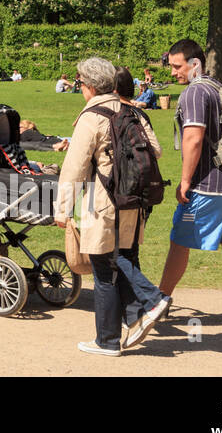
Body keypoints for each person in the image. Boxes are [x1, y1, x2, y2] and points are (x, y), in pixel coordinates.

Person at [55, 57, 169, 356]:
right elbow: (155, 150)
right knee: (125, 257)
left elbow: (74, 168)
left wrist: (62, 209)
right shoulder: (133, 111)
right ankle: (134, 319)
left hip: (103, 201)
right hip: (134, 199)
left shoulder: (92, 116)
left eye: (80, 84)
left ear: (90, 86)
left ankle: (120, 328)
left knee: (105, 267)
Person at [159, 39, 222, 330]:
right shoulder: (219, 87)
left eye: (178, 66)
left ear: (195, 64)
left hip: (206, 185)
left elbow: (193, 138)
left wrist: (184, 181)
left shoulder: (195, 93)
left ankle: (159, 302)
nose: (174, 73)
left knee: (180, 240)